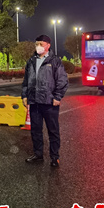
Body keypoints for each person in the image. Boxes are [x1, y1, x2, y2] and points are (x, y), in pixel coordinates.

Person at [21, 34, 68, 167]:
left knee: (53, 131)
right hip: (34, 102)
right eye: (37, 44)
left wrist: (57, 97)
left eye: (41, 44)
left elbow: (62, 80)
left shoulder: (55, 61)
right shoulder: (31, 61)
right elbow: (26, 81)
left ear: (48, 45)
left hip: (49, 103)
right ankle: (38, 154)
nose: (38, 46)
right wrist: (24, 95)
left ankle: (54, 157)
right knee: (36, 130)